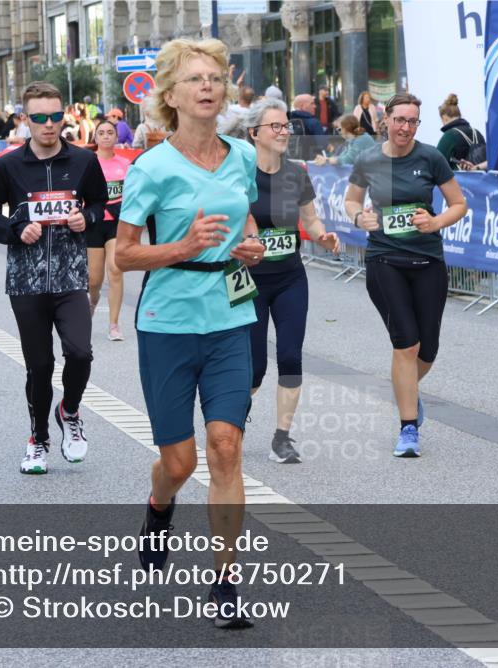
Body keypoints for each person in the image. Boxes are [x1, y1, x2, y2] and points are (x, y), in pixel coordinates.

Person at [114, 38, 266, 629]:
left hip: (231, 315)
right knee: (177, 463)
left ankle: (225, 582)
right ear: (171, 96)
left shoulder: (243, 156)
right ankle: (159, 507)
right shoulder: (150, 167)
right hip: (169, 322)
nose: (207, 87)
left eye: (215, 78)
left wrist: (248, 246)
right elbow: (124, 256)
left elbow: (245, 218)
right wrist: (184, 245)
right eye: (194, 80)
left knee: (226, 446)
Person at [0, 81, 108, 473]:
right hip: (26, 281)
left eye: (55, 116)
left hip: (70, 275)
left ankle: (69, 411)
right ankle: (38, 438)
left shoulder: (84, 162)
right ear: (24, 120)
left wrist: (88, 217)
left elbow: (101, 204)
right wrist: (15, 231)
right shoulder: (8, 165)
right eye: (39, 118)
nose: (49, 125)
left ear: (64, 116)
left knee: (81, 352)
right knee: (39, 366)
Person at [344, 93, 468, 457]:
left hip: (428, 259)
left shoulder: (430, 157)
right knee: (407, 344)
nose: (406, 127)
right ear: (386, 119)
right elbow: (352, 200)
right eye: (400, 120)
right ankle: (408, 427)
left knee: (428, 349)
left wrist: (435, 221)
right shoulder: (368, 160)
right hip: (385, 259)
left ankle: (407, 393)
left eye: (413, 121)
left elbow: (458, 203)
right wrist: (358, 217)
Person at [245, 98, 340, 463]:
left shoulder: (296, 172)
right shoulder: (239, 174)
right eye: (277, 127)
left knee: (289, 354)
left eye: (286, 126)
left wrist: (322, 235)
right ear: (255, 134)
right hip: (249, 280)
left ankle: (282, 437)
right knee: (254, 366)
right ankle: (234, 416)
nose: (285, 132)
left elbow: (310, 218)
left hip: (289, 277)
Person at [87, 119, 131, 341]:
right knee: (94, 279)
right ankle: (92, 302)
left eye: (110, 133)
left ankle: (114, 324)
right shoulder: (88, 162)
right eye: (101, 133)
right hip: (94, 223)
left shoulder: (125, 165)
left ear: (116, 137)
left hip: (116, 222)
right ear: (95, 137)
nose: (105, 136)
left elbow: (133, 194)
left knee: (115, 270)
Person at [436, 93, 486, 170]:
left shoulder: (449, 136)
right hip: (482, 180)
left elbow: (436, 164)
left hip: (460, 181)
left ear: (444, 117)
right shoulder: (477, 133)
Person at [288, 93, 327, 161]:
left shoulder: (288, 121)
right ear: (302, 106)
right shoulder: (313, 123)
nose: (315, 106)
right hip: (312, 161)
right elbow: (323, 144)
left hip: (292, 160)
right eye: (312, 103)